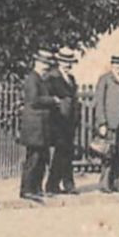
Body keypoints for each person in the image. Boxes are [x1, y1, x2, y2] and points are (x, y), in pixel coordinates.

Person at [18, 53, 56, 202]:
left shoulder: (41, 79)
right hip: (34, 126)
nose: (45, 67)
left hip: (41, 126)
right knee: (33, 158)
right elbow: (34, 100)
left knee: (41, 158)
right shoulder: (32, 79)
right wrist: (52, 100)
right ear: (36, 63)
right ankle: (26, 189)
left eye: (47, 64)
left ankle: (36, 188)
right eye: (43, 63)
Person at [93, 54, 119, 193]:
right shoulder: (105, 79)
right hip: (109, 123)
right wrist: (102, 123)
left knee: (118, 154)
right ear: (112, 65)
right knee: (108, 154)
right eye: (116, 65)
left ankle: (115, 182)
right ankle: (105, 183)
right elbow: (99, 102)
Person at [45, 48, 79, 195]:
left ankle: (66, 184)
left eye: (70, 62)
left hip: (69, 121)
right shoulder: (52, 78)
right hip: (57, 121)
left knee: (67, 153)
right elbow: (49, 98)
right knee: (60, 153)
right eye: (65, 62)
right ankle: (53, 185)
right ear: (59, 62)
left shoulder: (71, 79)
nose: (67, 65)